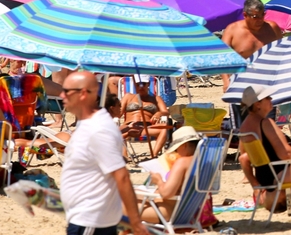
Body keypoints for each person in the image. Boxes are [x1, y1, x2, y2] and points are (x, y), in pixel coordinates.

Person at [59, 71, 148, 235]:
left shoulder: (98, 129)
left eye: (66, 91)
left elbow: (121, 175)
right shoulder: (89, 123)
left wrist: (135, 223)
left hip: (90, 219)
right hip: (86, 218)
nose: (61, 95)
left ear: (83, 94)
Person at [133, 126, 203, 224]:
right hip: (190, 212)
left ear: (184, 145)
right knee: (133, 192)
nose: (177, 152)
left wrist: (158, 180)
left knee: (116, 204)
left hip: (167, 212)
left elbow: (166, 193)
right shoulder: (206, 162)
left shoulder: (183, 162)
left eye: (177, 149)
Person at [220, 0, 283, 90]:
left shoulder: (272, 28)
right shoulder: (232, 30)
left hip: (269, 81)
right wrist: (226, 81)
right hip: (241, 82)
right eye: (255, 17)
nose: (260, 20)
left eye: (262, 15)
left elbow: (283, 53)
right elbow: (222, 58)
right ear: (245, 15)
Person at [121, 80, 170, 155]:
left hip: (147, 128)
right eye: (138, 84)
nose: (141, 86)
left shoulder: (156, 98)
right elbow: (118, 113)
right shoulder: (128, 96)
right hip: (129, 126)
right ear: (134, 85)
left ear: (148, 84)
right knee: (116, 132)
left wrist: (159, 113)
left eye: (143, 84)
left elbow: (166, 112)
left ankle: (154, 155)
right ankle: (124, 157)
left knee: (164, 129)